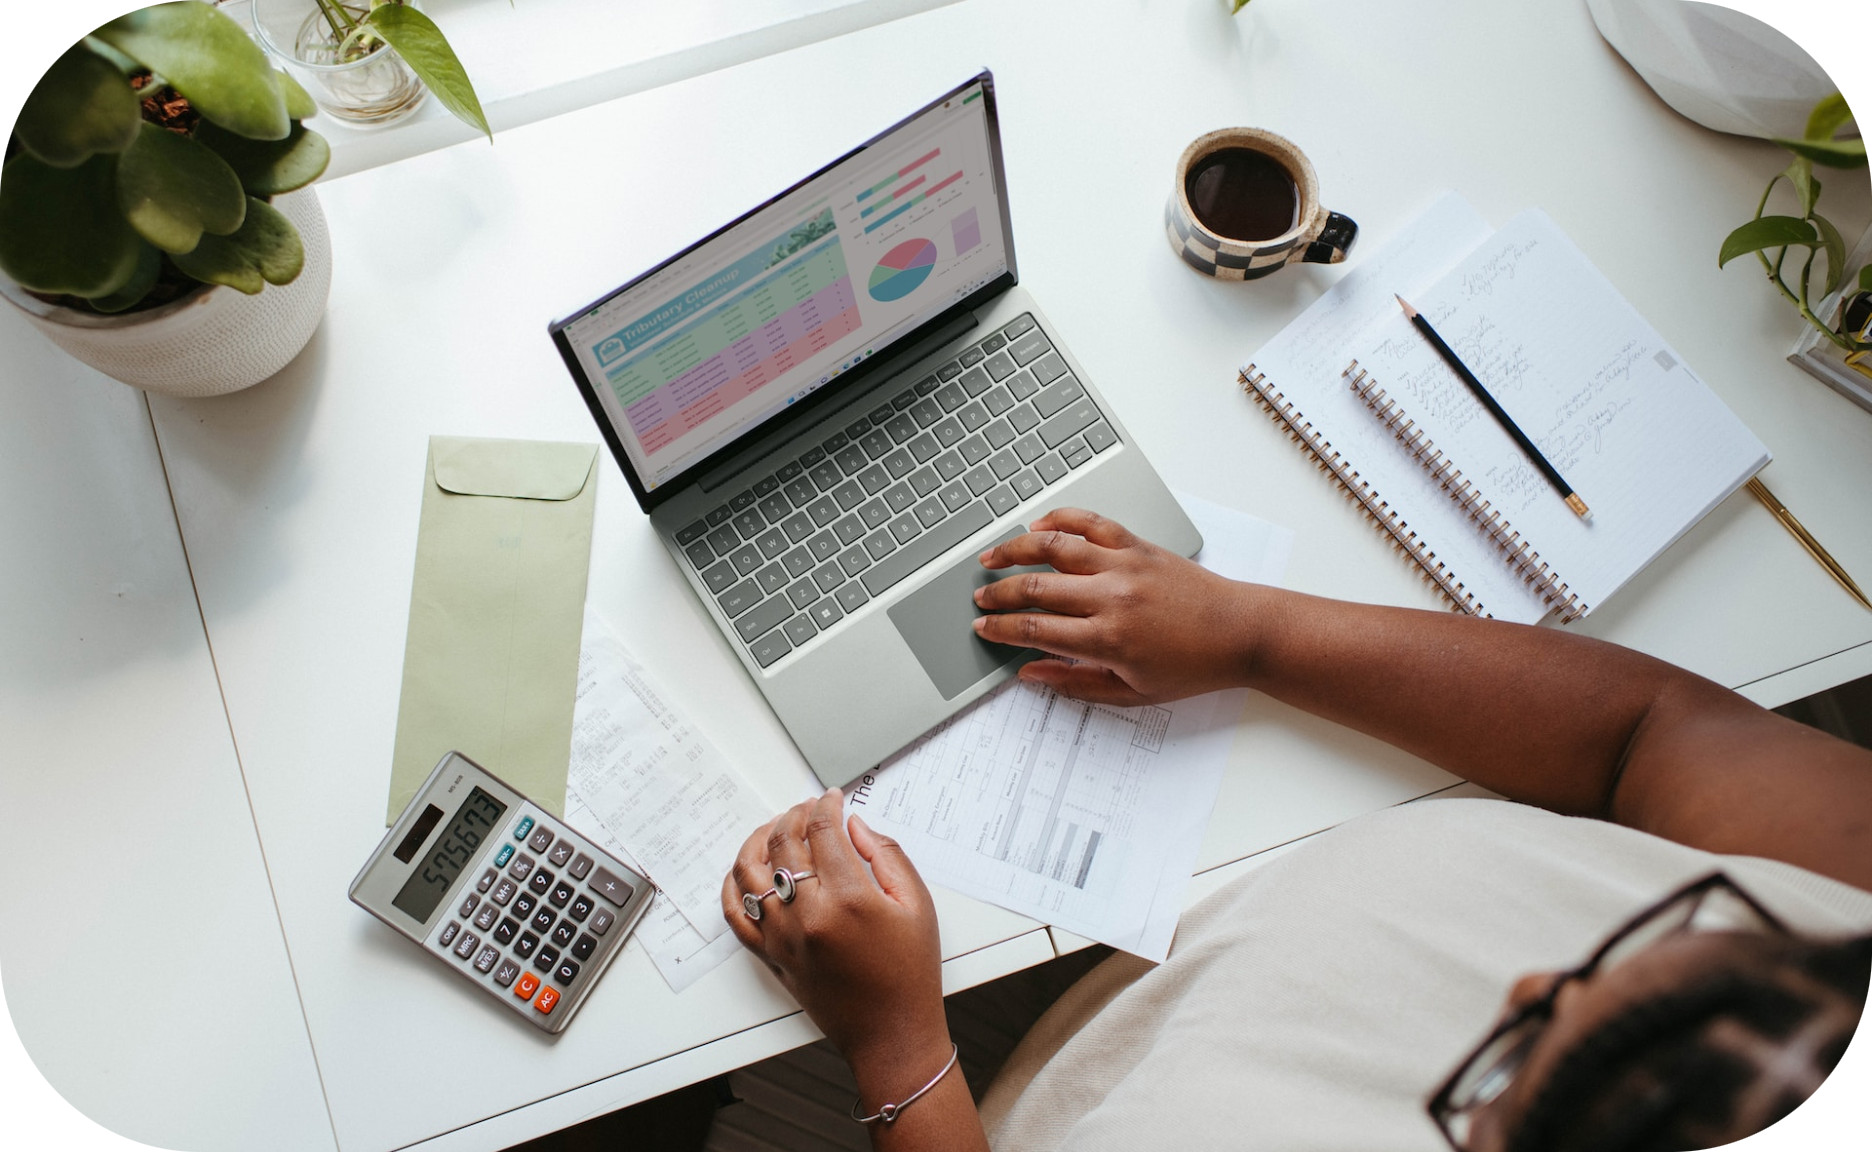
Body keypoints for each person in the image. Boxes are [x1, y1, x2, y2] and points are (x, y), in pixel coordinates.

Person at [720, 509, 1872, 1151]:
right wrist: (1249, 634)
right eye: (1664, 938)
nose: (1524, 987)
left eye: (1509, 1078)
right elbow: (1650, 735)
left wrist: (900, 1051)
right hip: (1178, 947)